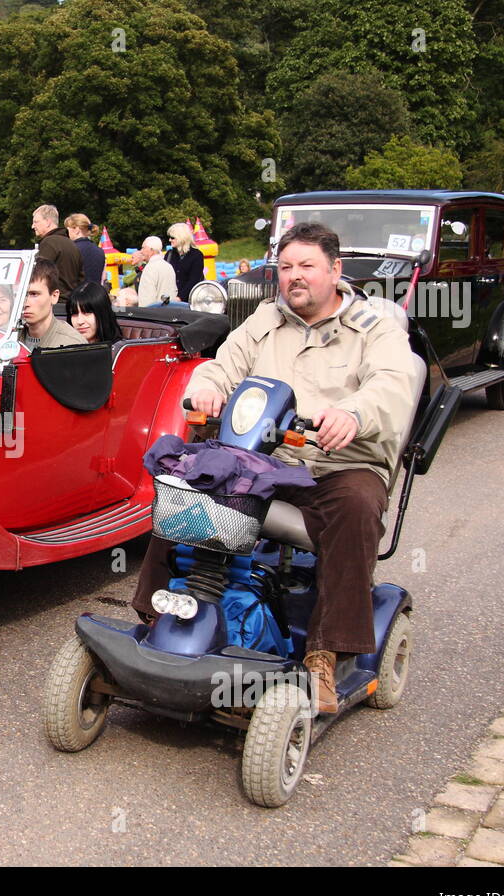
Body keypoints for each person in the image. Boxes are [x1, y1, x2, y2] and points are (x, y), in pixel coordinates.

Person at [130, 222, 417, 714]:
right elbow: (224, 362)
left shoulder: (375, 329)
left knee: (357, 505)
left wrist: (354, 412)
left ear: (335, 271)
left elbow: (394, 383)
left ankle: (325, 654)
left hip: (337, 464)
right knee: (188, 480)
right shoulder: (266, 320)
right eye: (286, 268)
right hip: (264, 462)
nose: (294, 277)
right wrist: (208, 385)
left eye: (307, 266)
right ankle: (157, 618)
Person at [20, 260, 87, 350]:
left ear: (54, 296)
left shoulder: (72, 344)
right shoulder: (9, 338)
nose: (25, 303)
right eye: (20, 294)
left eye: (34, 294)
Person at [31, 205, 83, 307]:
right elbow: (81, 278)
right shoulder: (72, 244)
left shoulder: (49, 243)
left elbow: (38, 276)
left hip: (54, 305)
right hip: (71, 304)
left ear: (48, 222)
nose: (32, 226)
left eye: (36, 222)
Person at [165, 222, 205, 301]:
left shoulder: (196, 255)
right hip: (169, 300)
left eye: (172, 237)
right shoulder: (169, 254)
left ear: (181, 237)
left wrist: (180, 297)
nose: (169, 240)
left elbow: (194, 280)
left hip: (190, 301)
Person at [65, 213, 106, 286]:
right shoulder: (99, 251)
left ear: (76, 229)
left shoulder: (71, 249)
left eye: (68, 230)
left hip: (77, 295)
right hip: (95, 294)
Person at [136, 236, 178, 306]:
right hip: (169, 312)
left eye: (143, 248)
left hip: (152, 314)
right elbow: (173, 292)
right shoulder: (168, 266)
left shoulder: (150, 268)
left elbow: (146, 299)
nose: (141, 251)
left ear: (151, 250)